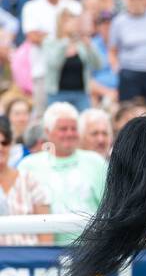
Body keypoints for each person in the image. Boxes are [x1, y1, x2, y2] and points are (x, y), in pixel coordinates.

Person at [17, 102, 107, 244]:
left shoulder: (95, 162)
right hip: (45, 254)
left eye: (73, 128)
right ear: (48, 132)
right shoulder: (28, 165)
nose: (69, 134)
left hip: (90, 250)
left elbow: (109, 207)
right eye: (63, 129)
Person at [0, 115, 52, 245]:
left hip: (29, 260)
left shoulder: (30, 180)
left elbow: (46, 229)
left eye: (4, 142)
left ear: (11, 144)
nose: (0, 148)